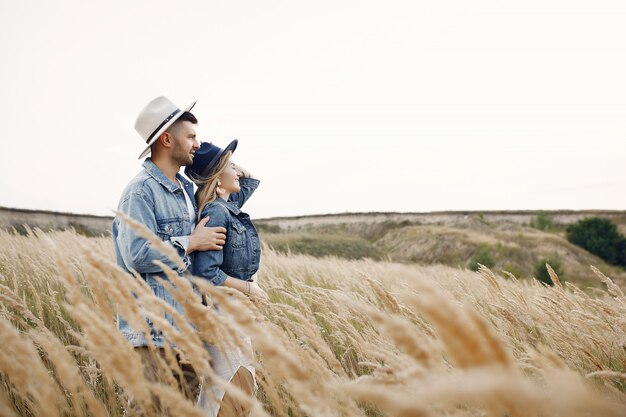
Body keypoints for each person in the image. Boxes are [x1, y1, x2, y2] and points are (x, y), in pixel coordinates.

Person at [112, 96, 227, 409]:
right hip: (155, 334)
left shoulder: (188, 191)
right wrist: (190, 241)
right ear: (166, 139)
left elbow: (242, 185)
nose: (197, 143)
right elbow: (137, 253)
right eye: (190, 136)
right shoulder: (140, 192)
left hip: (188, 332)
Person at [185, 140, 266, 416]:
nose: (238, 171)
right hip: (224, 315)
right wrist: (248, 288)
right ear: (219, 177)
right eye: (231, 166)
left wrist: (223, 161)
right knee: (226, 392)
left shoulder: (227, 205)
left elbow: (251, 178)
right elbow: (205, 273)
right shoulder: (217, 212)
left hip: (235, 312)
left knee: (241, 387)